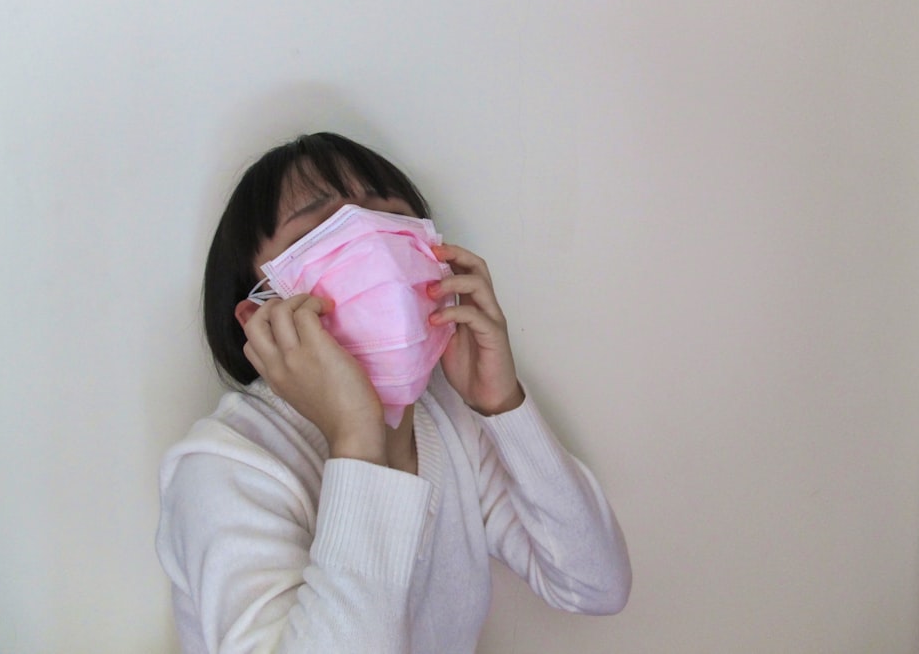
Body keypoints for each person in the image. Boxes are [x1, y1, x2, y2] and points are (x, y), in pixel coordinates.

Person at [155, 132, 632, 654]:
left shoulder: (447, 420)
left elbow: (595, 585)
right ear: (259, 316)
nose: (375, 248)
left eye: (391, 218)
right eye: (321, 227)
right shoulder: (228, 465)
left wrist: (501, 406)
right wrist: (357, 439)